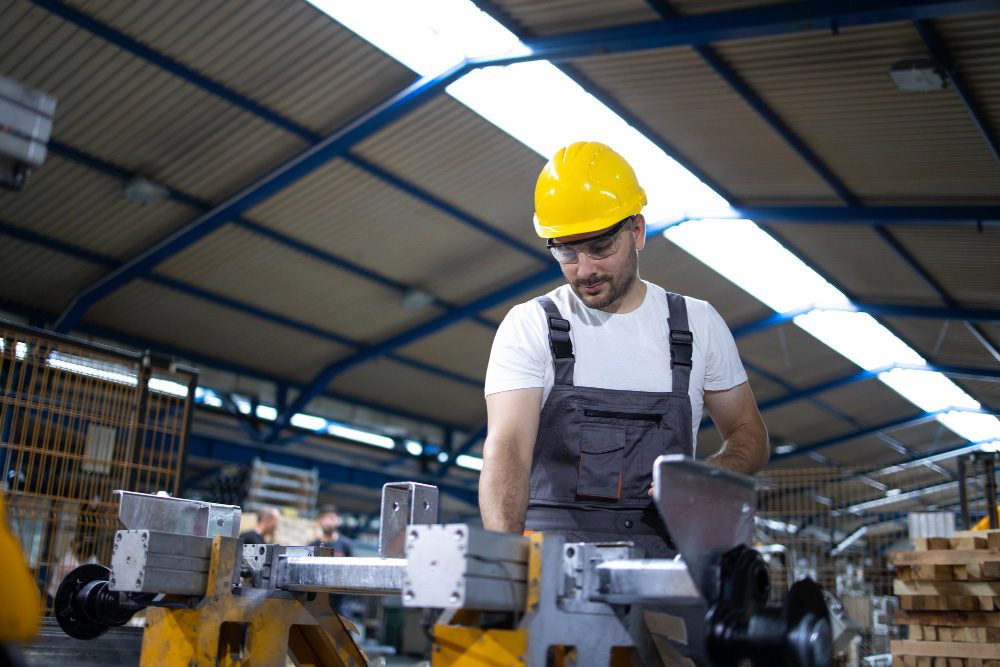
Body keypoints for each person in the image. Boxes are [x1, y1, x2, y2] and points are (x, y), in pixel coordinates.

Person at [480, 141, 769, 558]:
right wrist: (504, 565)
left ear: (637, 230)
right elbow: (507, 448)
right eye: (566, 250)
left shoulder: (697, 324)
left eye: (600, 247)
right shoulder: (531, 326)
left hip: (666, 566)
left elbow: (749, 434)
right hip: (552, 569)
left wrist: (705, 476)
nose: (585, 270)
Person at [308, 504, 354, 616]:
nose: (329, 522)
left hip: (341, 600)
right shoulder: (313, 546)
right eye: (325, 518)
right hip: (318, 599)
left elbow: (352, 571)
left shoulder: (345, 545)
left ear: (337, 521)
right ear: (319, 521)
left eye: (332, 518)